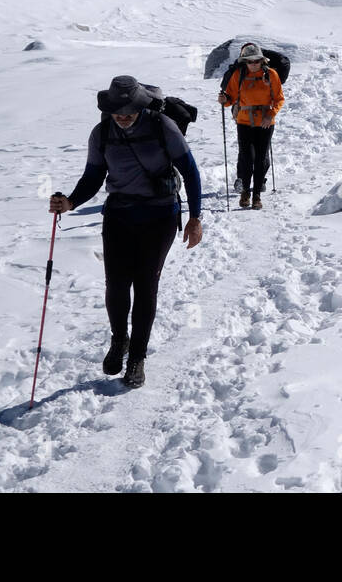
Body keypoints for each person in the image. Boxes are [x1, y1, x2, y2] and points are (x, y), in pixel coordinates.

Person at [49, 75, 204, 389]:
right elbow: (93, 175)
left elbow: (190, 170)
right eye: (117, 112)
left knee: (145, 284)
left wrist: (195, 218)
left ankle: (137, 357)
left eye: (129, 112)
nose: (122, 117)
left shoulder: (163, 127)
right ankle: (119, 340)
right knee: (116, 285)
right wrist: (71, 202)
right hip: (119, 215)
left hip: (160, 215)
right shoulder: (102, 133)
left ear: (141, 106)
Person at [217, 43, 284, 209]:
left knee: (260, 159)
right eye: (249, 61)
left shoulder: (271, 75)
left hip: (265, 122)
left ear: (262, 61)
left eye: (256, 61)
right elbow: (231, 97)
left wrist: (270, 115)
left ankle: (256, 196)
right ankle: (245, 192)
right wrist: (225, 100)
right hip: (244, 121)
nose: (253, 64)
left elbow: (279, 99)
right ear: (245, 62)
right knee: (247, 158)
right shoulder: (238, 75)